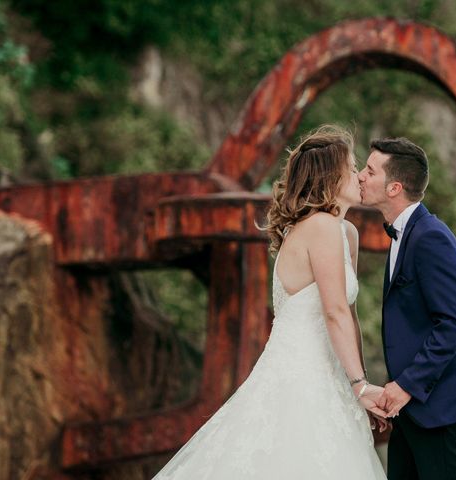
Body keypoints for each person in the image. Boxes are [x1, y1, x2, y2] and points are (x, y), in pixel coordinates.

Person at [152, 125, 388, 479]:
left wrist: (357, 383)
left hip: (334, 375)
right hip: (301, 374)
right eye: (351, 167)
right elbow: (334, 312)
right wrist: (361, 385)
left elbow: (350, 317)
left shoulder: (345, 233)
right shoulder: (320, 226)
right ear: (329, 176)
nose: (357, 175)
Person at [358, 137, 456, 480]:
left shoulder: (431, 237)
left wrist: (406, 386)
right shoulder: (406, 233)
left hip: (437, 402)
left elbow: (455, 322)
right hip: (412, 405)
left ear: (394, 187)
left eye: (369, 171)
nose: (360, 176)